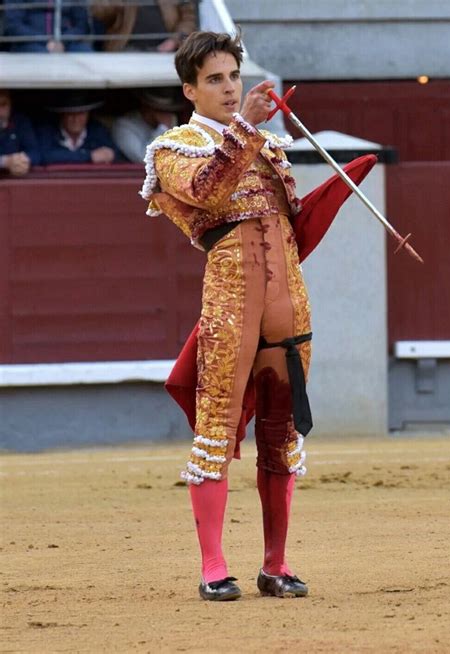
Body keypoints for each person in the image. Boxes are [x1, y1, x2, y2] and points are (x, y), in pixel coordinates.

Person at [141, 31, 376, 602]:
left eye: (233, 76)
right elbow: (209, 194)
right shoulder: (173, 149)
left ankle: (275, 564)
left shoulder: (271, 149)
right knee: (216, 431)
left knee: (280, 432)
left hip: (287, 301)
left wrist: (333, 195)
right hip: (230, 302)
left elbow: (291, 228)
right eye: (215, 80)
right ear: (189, 89)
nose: (228, 88)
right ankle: (214, 567)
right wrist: (245, 127)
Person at [37, 92, 120, 164]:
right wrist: (89, 156)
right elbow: (45, 156)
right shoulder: (48, 131)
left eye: (81, 113)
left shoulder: (97, 130)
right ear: (62, 115)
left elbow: (113, 153)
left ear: (88, 115)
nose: (76, 119)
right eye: (70, 114)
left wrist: (109, 154)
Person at [91, 0, 196, 52]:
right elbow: (99, 12)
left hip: (166, 51)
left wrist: (174, 41)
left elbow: (190, 18)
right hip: (126, 50)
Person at [113, 87, 184, 163]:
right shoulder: (124, 126)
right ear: (146, 107)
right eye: (160, 110)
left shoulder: (171, 122)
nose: (166, 115)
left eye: (168, 110)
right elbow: (143, 158)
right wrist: (163, 128)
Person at [4, 0, 93, 53]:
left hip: (68, 42)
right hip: (30, 42)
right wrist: (45, 41)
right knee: (41, 57)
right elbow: (13, 25)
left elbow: (82, 25)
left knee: (86, 54)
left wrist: (63, 41)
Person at [0, 89, 40, 176]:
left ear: (10, 105)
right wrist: (5, 162)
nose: (0, 112)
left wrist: (22, 160)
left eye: (3, 105)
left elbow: (35, 153)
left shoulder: (20, 122)